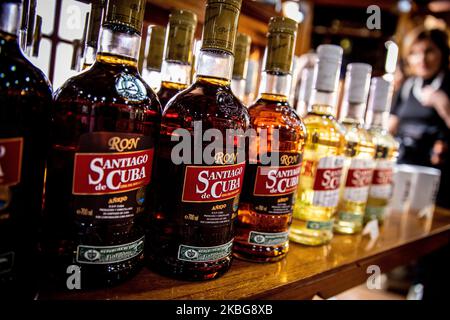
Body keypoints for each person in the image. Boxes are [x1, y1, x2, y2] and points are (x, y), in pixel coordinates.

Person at [389, 27, 450, 209]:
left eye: (429, 51)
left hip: (439, 180)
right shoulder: (408, 86)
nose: (422, 59)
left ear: (442, 52)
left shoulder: (447, 85)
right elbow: (390, 127)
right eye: (415, 53)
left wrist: (443, 105)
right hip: (404, 170)